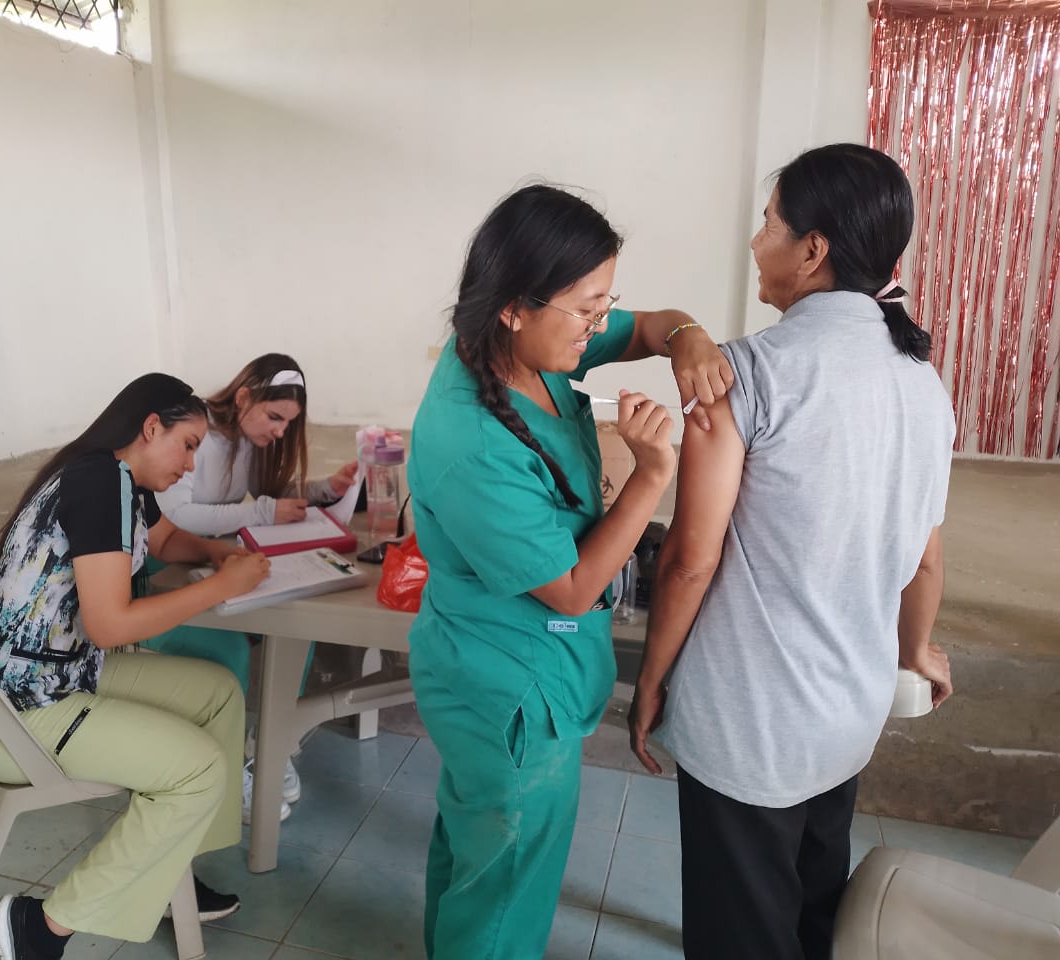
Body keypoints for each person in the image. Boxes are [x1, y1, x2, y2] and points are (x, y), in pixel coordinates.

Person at [628, 143, 955, 960]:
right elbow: (924, 555)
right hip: (846, 717)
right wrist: (916, 647)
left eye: (769, 224)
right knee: (813, 920)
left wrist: (652, 678)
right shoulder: (924, 382)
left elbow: (690, 560)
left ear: (812, 251)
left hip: (752, 724)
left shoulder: (746, 375)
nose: (755, 242)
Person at [407, 183, 734, 959]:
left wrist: (685, 334)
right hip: (508, 688)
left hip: (509, 669)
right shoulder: (472, 439)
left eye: (603, 302)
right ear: (515, 307)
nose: (598, 324)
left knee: (479, 853)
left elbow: (650, 326)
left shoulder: (528, 346)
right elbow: (574, 587)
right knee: (505, 884)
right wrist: (652, 474)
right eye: (586, 309)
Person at [0, 373, 271, 960]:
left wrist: (220, 553)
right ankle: (44, 927)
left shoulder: (120, 478)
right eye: (188, 445)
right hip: (9, 709)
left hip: (49, 675)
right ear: (151, 427)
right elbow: (111, 626)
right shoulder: (99, 482)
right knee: (198, 770)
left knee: (219, 693)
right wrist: (223, 585)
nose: (190, 465)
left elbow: (164, 541)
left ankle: (170, 867)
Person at [149, 353, 357, 821]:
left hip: (215, 558)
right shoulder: (196, 433)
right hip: (168, 562)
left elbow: (272, 494)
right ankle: (224, 767)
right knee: (229, 648)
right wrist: (260, 512)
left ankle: (269, 743)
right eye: (275, 417)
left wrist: (325, 489)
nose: (280, 431)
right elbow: (174, 516)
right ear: (244, 397)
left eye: (288, 423)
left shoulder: (246, 437)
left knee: (298, 626)